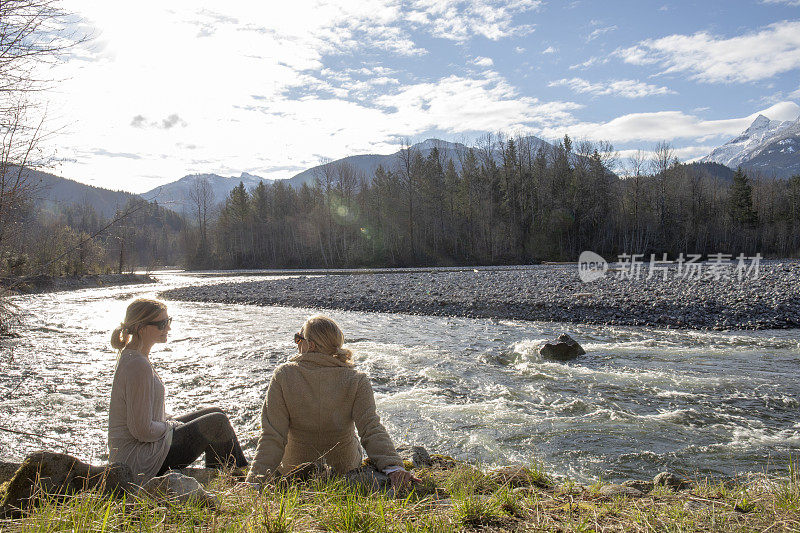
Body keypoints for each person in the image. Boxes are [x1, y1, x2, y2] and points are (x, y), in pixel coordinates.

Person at [246, 315, 419, 489]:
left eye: (299, 339)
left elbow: (273, 435)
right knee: (355, 440)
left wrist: (255, 480)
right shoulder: (357, 380)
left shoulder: (283, 375)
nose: (297, 343)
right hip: (344, 469)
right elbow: (371, 429)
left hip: (294, 470)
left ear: (311, 345)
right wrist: (394, 467)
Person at [108, 298, 248, 479]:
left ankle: (236, 477)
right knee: (216, 424)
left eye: (168, 321)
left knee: (215, 412)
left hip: (146, 449)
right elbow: (141, 430)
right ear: (141, 327)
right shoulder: (137, 365)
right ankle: (233, 482)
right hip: (140, 459)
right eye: (162, 324)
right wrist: (170, 426)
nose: (168, 328)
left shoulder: (135, 356)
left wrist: (170, 425)